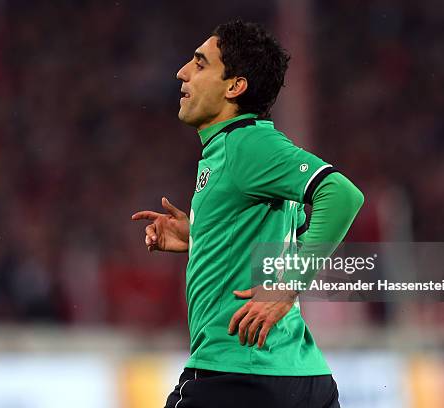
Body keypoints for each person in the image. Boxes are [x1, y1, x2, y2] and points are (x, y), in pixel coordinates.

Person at [132, 20, 363, 408]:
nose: (182, 72)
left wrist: (287, 285)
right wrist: (201, 235)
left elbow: (341, 195)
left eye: (200, 64)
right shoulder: (231, 149)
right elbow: (279, 232)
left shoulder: (247, 143)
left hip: (240, 373)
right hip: (297, 376)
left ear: (235, 87)